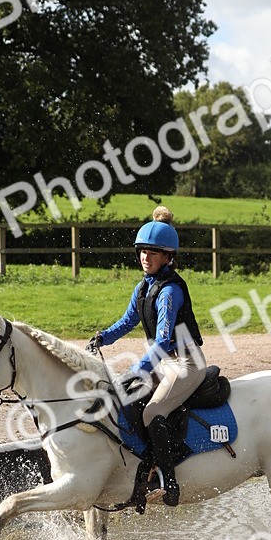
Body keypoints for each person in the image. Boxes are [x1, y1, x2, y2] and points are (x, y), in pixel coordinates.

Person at [87, 206, 206, 507]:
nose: (145, 257)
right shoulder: (143, 287)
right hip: (164, 362)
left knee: (153, 413)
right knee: (125, 402)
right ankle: (141, 466)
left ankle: (169, 482)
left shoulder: (169, 292)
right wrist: (102, 337)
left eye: (153, 253)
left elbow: (165, 340)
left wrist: (137, 371)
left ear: (168, 257)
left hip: (186, 364)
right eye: (142, 251)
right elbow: (127, 322)